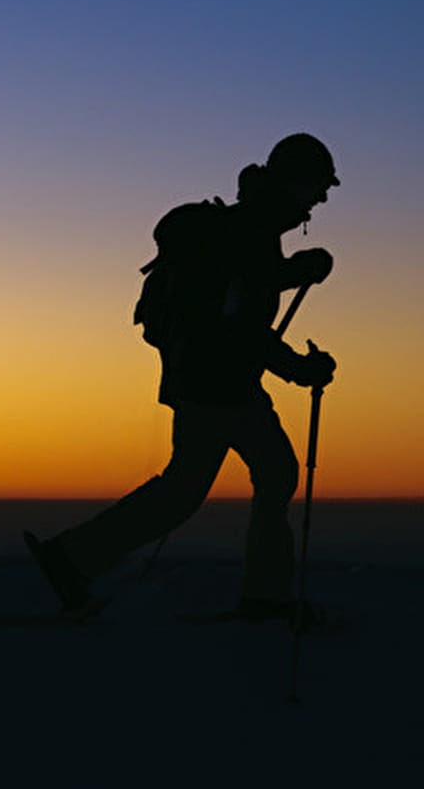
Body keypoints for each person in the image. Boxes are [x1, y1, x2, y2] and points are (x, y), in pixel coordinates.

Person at [26, 133, 340, 620]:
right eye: (317, 187)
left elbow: (244, 302)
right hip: (218, 386)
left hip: (210, 380)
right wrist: (300, 367)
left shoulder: (249, 227)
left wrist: (297, 272)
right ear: (295, 182)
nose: (320, 199)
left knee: (222, 482)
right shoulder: (253, 231)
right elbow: (244, 327)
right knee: (222, 483)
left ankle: (72, 559)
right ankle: (263, 599)